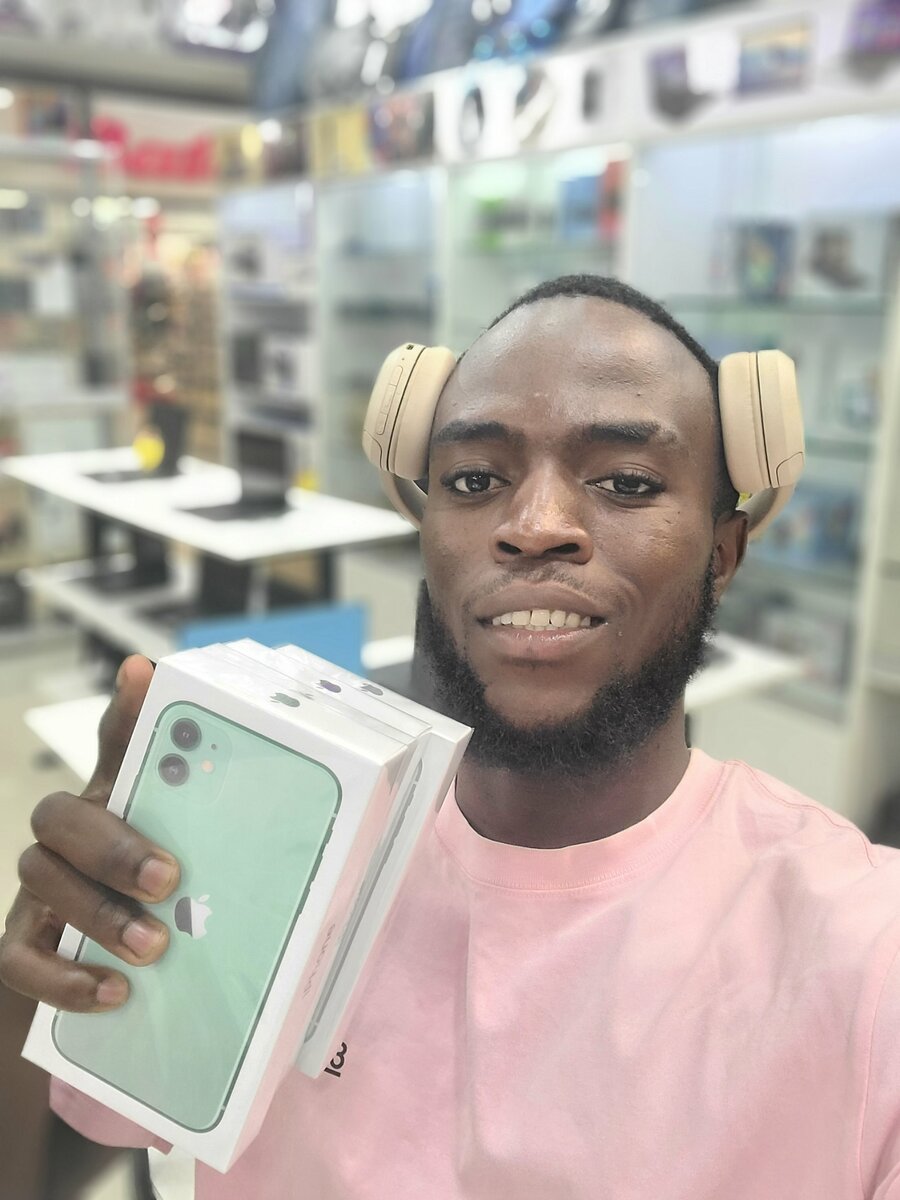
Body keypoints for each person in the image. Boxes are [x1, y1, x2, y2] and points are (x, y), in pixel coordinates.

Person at [3, 275, 900, 1199]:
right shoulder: (283, 840)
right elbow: (62, 1161)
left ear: (723, 553)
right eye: (474, 480)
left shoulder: (867, 959)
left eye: (627, 482)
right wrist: (39, 979)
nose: (535, 528)